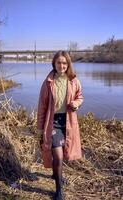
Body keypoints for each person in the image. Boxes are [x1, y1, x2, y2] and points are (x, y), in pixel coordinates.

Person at [37, 50, 83, 200]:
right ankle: (59, 190)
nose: (62, 65)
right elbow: (42, 107)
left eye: (64, 63)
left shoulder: (74, 80)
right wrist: (39, 128)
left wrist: (76, 103)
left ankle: (56, 174)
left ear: (68, 64)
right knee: (58, 156)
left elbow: (80, 96)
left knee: (63, 152)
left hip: (68, 122)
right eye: (59, 62)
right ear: (54, 64)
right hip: (53, 123)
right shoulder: (48, 82)